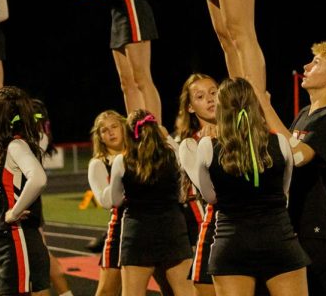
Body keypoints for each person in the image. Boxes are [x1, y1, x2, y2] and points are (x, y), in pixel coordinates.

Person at [182, 78, 309, 296]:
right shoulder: (280, 142)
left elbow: (210, 197)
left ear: (221, 109)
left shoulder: (206, 146)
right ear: (254, 105)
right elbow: (283, 192)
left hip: (230, 242)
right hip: (278, 239)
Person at [259, 41, 326, 296]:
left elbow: (300, 156)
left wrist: (266, 107)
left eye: (316, 63)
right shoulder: (305, 113)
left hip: (322, 228)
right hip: (301, 223)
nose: (306, 66)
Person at [108, 110, 195, 296]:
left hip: (137, 232)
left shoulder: (121, 161)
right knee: (186, 291)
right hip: (172, 228)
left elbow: (114, 201)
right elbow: (181, 194)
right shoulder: (173, 156)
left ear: (129, 134)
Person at [0, 86, 49, 296]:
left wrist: (14, 211)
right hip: (10, 242)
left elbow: (38, 179)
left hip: (19, 240)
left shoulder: (15, 146)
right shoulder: (4, 148)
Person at [172, 73, 219, 296]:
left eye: (213, 93)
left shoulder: (243, 134)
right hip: (211, 231)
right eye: (200, 96)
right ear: (190, 107)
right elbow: (206, 190)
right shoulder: (189, 144)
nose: (210, 99)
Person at [33, 98, 76, 296]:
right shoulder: (37, 136)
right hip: (30, 203)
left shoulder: (38, 136)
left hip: (30, 204)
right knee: (40, 256)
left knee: (39, 258)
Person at [87, 110, 128, 296]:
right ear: (100, 137)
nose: (110, 133)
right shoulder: (99, 163)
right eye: (104, 130)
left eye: (114, 127)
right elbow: (105, 201)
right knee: (107, 291)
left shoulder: (139, 155)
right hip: (120, 229)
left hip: (151, 225)